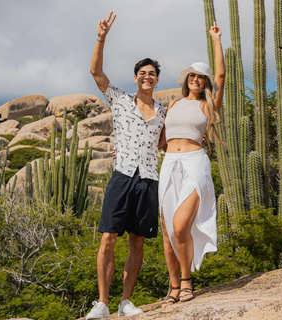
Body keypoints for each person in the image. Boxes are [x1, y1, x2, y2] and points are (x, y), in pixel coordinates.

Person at [86, 11, 166, 319]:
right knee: (108, 238)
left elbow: (162, 142)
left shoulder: (162, 110)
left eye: (152, 74)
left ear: (157, 79)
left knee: (138, 241)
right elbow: (96, 72)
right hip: (122, 176)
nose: (147, 77)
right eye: (143, 73)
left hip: (148, 179)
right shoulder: (119, 99)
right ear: (136, 78)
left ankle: (125, 302)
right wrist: (101, 37)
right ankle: (103, 303)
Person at [158, 21, 225, 308]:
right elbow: (159, 141)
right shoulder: (172, 105)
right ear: (186, 79)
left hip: (194, 163)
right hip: (169, 162)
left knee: (180, 225)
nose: (196, 79)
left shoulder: (207, 106)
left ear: (205, 83)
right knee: (167, 231)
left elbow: (221, 74)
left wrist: (216, 40)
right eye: (192, 76)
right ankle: (173, 287)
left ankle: (186, 281)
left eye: (201, 77)